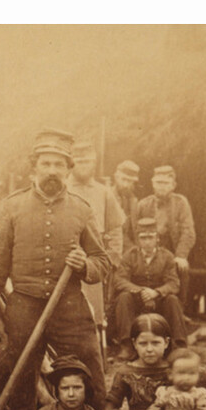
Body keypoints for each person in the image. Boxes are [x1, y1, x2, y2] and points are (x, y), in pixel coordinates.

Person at [0, 128, 111, 410]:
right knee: (19, 385)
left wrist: (85, 265)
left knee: (92, 373)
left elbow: (103, 262)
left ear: (68, 170)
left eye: (59, 164)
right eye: (46, 163)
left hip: (70, 305)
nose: (52, 170)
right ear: (34, 167)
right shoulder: (12, 207)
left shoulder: (82, 209)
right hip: (24, 307)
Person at [67, 140, 126, 331]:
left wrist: (111, 260)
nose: (84, 166)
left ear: (94, 163)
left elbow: (115, 229)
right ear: (71, 163)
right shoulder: (62, 189)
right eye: (79, 161)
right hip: (66, 258)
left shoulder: (104, 192)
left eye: (88, 161)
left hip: (93, 260)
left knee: (93, 318)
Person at [113, 217, 188, 359]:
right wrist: (140, 291)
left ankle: (179, 346)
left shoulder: (167, 256)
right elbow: (120, 280)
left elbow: (173, 283)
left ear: (157, 238)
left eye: (150, 237)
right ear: (138, 239)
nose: (147, 242)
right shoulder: (129, 256)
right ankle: (127, 346)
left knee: (172, 300)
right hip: (136, 298)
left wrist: (157, 292)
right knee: (123, 298)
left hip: (159, 299)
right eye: (143, 238)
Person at [132, 165, 196, 304]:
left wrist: (181, 255)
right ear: (153, 183)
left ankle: (179, 308)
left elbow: (188, 231)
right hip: (147, 251)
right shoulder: (143, 204)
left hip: (172, 253)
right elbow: (134, 232)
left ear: (173, 185)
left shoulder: (180, 203)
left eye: (166, 183)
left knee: (181, 268)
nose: (161, 186)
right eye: (158, 182)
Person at [113, 159, 141, 227]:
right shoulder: (107, 197)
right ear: (116, 177)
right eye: (123, 179)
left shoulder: (134, 201)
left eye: (129, 181)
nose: (125, 185)